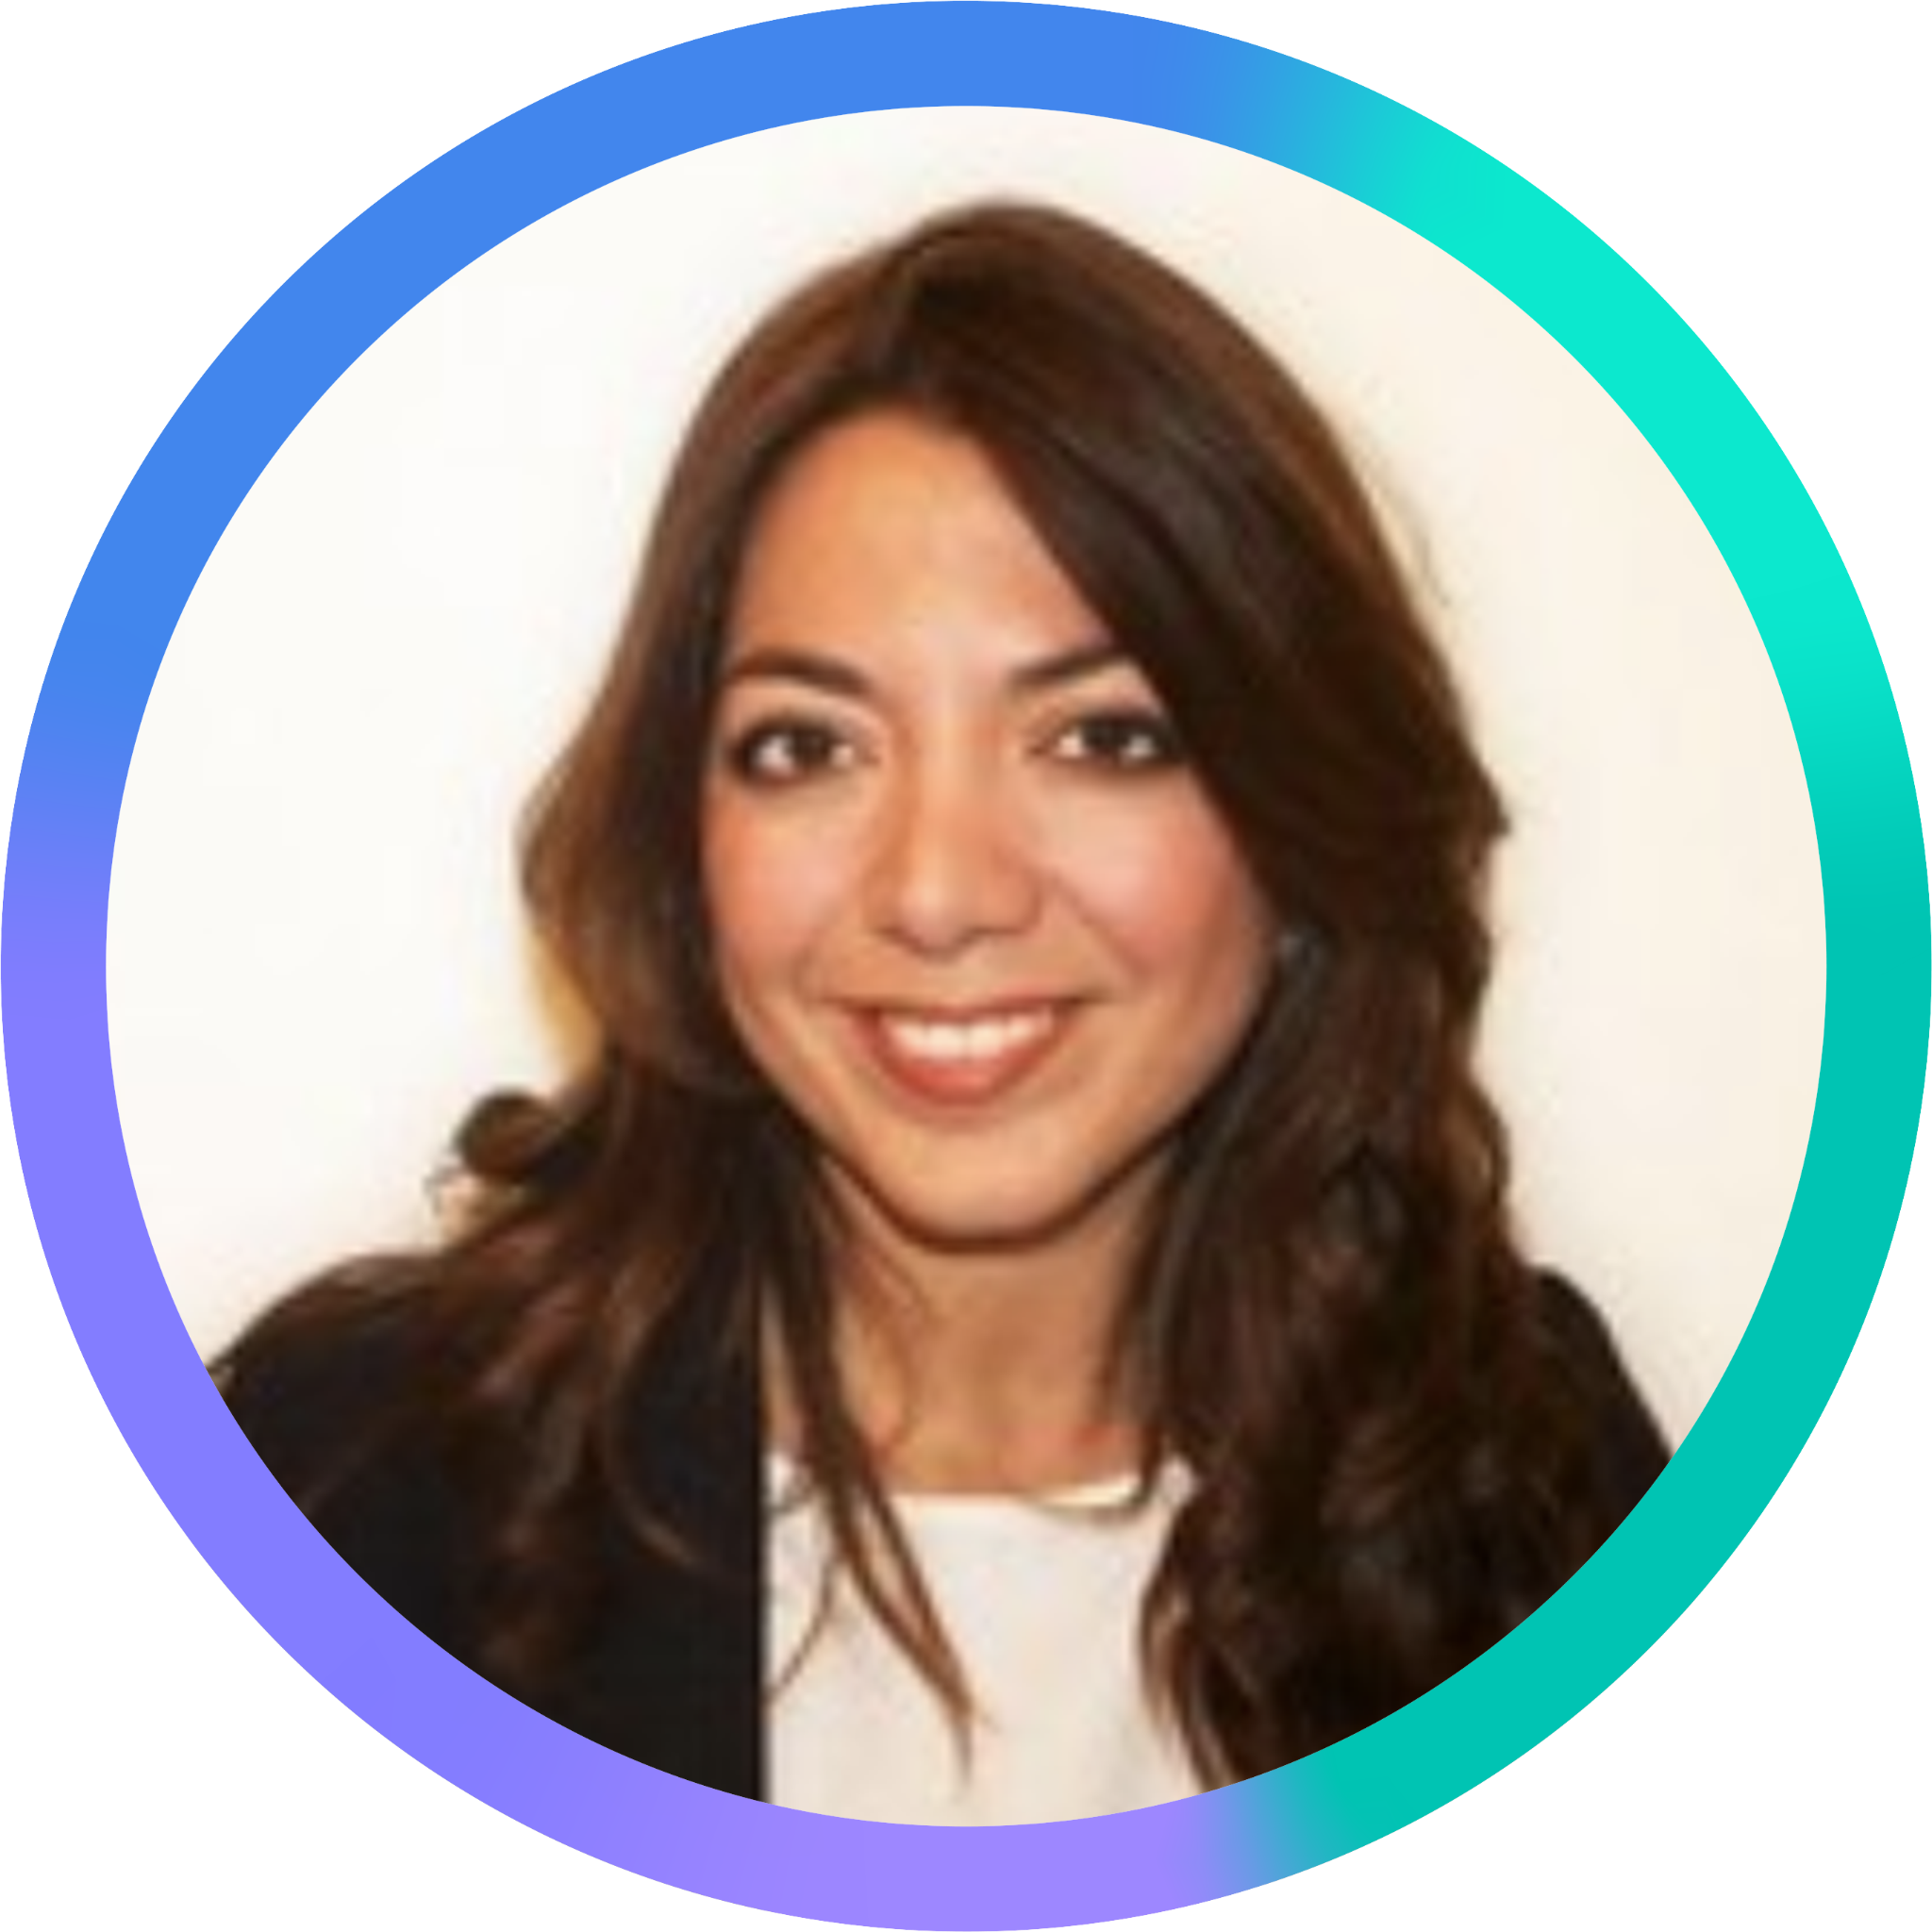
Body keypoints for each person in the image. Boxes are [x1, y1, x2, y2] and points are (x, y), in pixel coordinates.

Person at [217, 202, 1668, 1824]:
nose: (939, 890)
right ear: (687, 844)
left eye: (1103, 738)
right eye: (808, 746)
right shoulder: (347, 1488)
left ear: (1297, 819)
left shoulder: (1530, 1490)